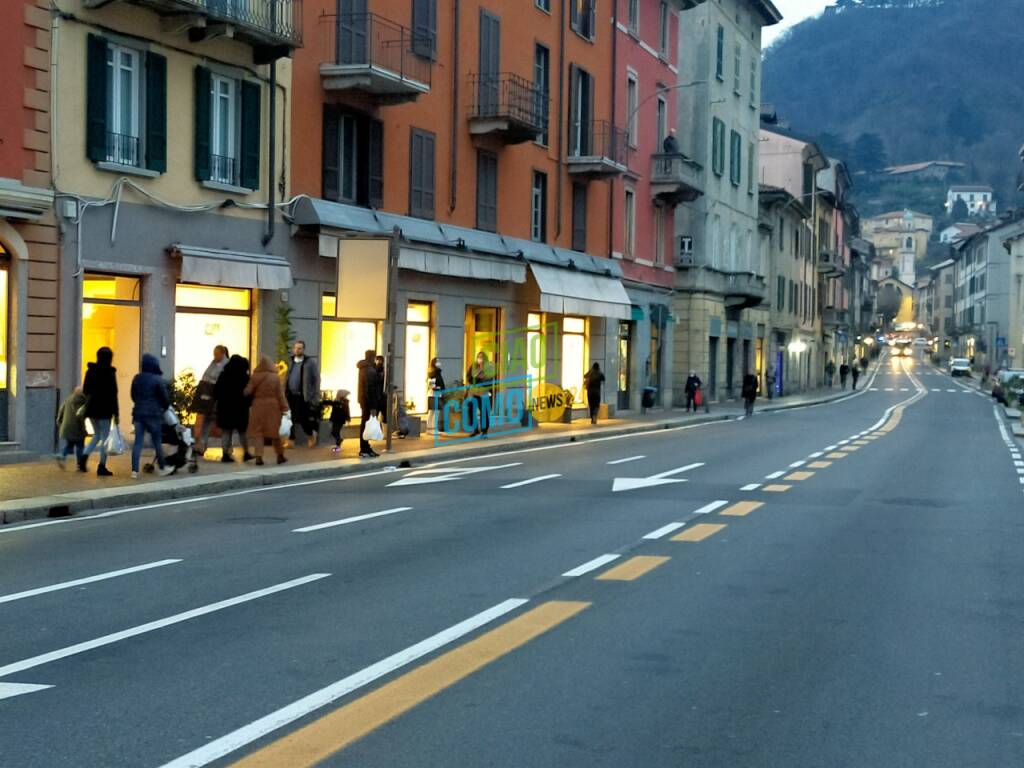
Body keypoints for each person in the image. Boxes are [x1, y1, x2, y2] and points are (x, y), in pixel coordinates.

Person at [130, 353, 174, 479]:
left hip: (138, 413)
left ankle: (134, 471)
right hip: (153, 414)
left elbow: (132, 395)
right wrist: (164, 408)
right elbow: (164, 398)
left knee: (138, 442)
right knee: (156, 441)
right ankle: (162, 467)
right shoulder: (157, 379)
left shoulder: (137, 378)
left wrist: (139, 404)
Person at [81, 346, 119, 476]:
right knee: (105, 438)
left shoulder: (90, 371)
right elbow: (114, 394)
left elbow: (85, 390)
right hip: (105, 410)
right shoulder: (110, 373)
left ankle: (83, 457)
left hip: (92, 409)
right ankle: (102, 466)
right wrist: (116, 414)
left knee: (97, 435)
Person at [244, 355, 289, 465]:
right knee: (274, 433)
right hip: (273, 407)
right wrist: (285, 408)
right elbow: (280, 395)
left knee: (258, 433)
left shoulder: (255, 376)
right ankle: (280, 455)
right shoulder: (275, 377)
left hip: (258, 406)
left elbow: (247, 392)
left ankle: (259, 456)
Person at [215, 354, 251, 463]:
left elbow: (216, 391)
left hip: (225, 408)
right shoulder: (244, 377)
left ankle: (225, 454)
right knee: (242, 432)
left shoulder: (223, 375)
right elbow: (249, 393)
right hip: (240, 409)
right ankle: (246, 452)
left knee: (226, 431)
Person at [193, 345, 228, 455]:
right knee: (207, 421)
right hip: (208, 397)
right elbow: (206, 376)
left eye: (217, 354)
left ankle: (226, 448)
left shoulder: (226, 365)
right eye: (214, 354)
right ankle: (202, 445)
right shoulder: (212, 364)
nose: (215, 356)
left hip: (218, 398)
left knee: (220, 423)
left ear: (223, 354)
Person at [286, 340, 321, 448]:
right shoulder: (290, 361)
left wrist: (314, 394)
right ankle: (290, 441)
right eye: (296, 348)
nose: (297, 350)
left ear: (303, 349)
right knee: (289, 418)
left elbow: (316, 379)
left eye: (300, 348)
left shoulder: (309, 362)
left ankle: (311, 435)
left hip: (303, 395)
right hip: (291, 394)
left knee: (302, 418)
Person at [55, 387, 88, 471]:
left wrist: (59, 422)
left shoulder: (68, 399)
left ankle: (62, 455)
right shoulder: (82, 401)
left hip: (66, 427)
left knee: (70, 445)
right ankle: (79, 465)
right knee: (80, 447)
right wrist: (83, 429)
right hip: (77, 428)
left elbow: (61, 411)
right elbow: (80, 416)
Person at [357, 349, 380, 458]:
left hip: (364, 401)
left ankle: (365, 447)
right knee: (366, 425)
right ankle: (364, 448)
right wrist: (373, 406)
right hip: (368, 402)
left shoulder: (364, 368)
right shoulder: (369, 370)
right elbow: (371, 389)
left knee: (365, 425)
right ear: (372, 357)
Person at [466, 351, 495, 437]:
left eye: (482, 357)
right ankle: (475, 429)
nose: (480, 359)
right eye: (479, 357)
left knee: (484, 412)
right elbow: (468, 377)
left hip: (483, 392)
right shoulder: (473, 366)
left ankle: (484, 431)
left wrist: (478, 381)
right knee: (471, 410)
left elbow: (489, 380)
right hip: (473, 392)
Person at [328, 389, 352, 454]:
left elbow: (347, 411)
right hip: (335, 419)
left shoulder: (344, 402)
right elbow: (333, 412)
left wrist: (348, 418)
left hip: (340, 420)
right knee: (334, 432)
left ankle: (338, 446)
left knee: (336, 432)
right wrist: (331, 419)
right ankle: (339, 442)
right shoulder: (336, 401)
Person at [427, 358, 445, 431]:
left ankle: (431, 427)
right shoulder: (433, 373)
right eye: (437, 362)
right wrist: (439, 388)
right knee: (433, 411)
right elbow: (432, 385)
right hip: (434, 394)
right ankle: (432, 428)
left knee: (434, 411)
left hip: (437, 393)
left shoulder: (437, 372)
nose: (439, 363)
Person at [374, 354, 388, 424]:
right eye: (378, 360)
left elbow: (386, 382)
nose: (380, 362)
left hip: (383, 397)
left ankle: (384, 432)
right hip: (377, 397)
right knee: (375, 416)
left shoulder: (384, 371)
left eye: (381, 361)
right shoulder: (374, 371)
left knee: (385, 416)